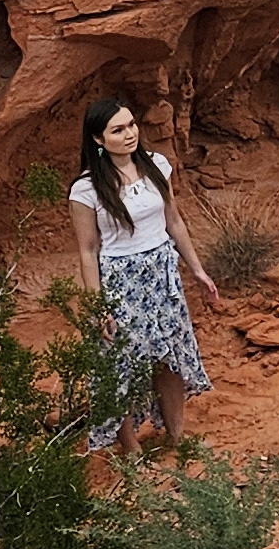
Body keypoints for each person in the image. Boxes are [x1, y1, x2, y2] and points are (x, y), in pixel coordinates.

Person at [67, 94, 220, 453]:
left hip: (162, 274)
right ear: (98, 139)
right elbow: (87, 251)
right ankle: (131, 447)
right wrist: (97, 304)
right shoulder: (86, 189)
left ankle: (177, 436)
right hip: (121, 281)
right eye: (117, 130)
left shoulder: (157, 165)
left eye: (131, 125)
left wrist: (196, 269)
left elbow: (174, 221)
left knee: (171, 356)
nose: (129, 134)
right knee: (121, 364)